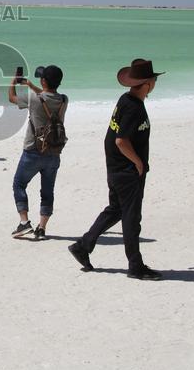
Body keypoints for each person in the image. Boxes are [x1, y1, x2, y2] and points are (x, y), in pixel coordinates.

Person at [69, 59, 164, 280]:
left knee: (115, 210)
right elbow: (121, 140)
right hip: (127, 171)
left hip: (117, 169)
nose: (156, 82)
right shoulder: (133, 108)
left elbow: (112, 137)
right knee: (132, 218)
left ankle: (83, 246)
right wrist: (138, 163)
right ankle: (135, 266)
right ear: (147, 83)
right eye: (155, 79)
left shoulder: (126, 100)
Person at [7, 65, 68, 240]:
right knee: (47, 191)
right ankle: (41, 228)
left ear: (43, 81)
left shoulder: (34, 99)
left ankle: (24, 222)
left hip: (33, 151)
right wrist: (32, 85)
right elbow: (48, 95)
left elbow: (12, 98)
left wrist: (14, 81)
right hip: (54, 152)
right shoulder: (64, 100)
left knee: (19, 184)